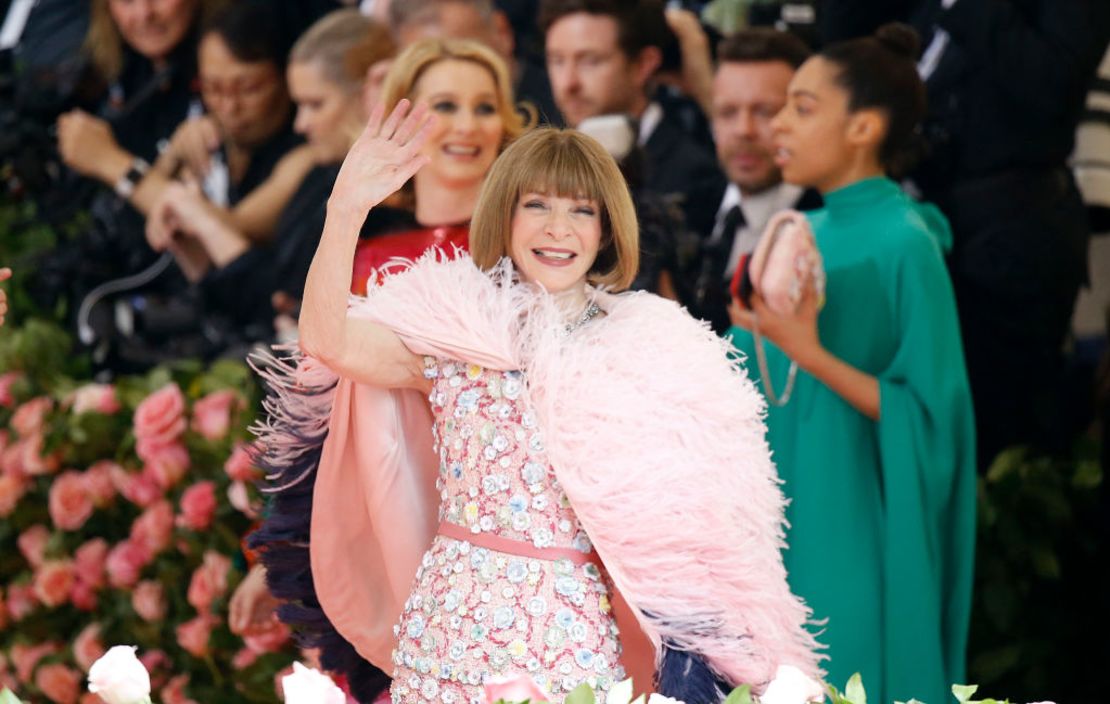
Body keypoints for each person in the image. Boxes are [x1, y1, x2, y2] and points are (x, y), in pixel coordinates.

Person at [251, 112, 821, 703]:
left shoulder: (652, 350)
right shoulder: (452, 327)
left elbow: (704, 527)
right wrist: (345, 209)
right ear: (505, 214)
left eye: (581, 211)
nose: (559, 229)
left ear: (606, 230)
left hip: (573, 636)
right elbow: (327, 342)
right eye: (538, 206)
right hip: (451, 628)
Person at [726, 24, 976, 704]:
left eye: (802, 108)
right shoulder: (813, 229)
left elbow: (932, 420)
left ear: (863, 126)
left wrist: (805, 349)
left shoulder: (905, 240)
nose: (777, 124)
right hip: (787, 505)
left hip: (856, 516)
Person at [349, 37, 529, 294]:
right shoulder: (359, 251)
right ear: (400, 119)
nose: (467, 126)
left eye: (485, 108)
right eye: (446, 105)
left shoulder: (527, 245)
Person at [685, 28, 821, 333]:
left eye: (765, 112)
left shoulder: (823, 223)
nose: (743, 130)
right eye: (728, 112)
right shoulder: (685, 204)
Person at [538, 0, 723, 211]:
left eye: (590, 61)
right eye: (557, 60)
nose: (568, 83)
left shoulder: (694, 174)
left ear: (643, 64)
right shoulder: (541, 164)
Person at [386, 0, 561, 125]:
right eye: (422, 65)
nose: (445, 77)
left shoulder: (562, 109)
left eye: (462, 54)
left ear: (502, 32)